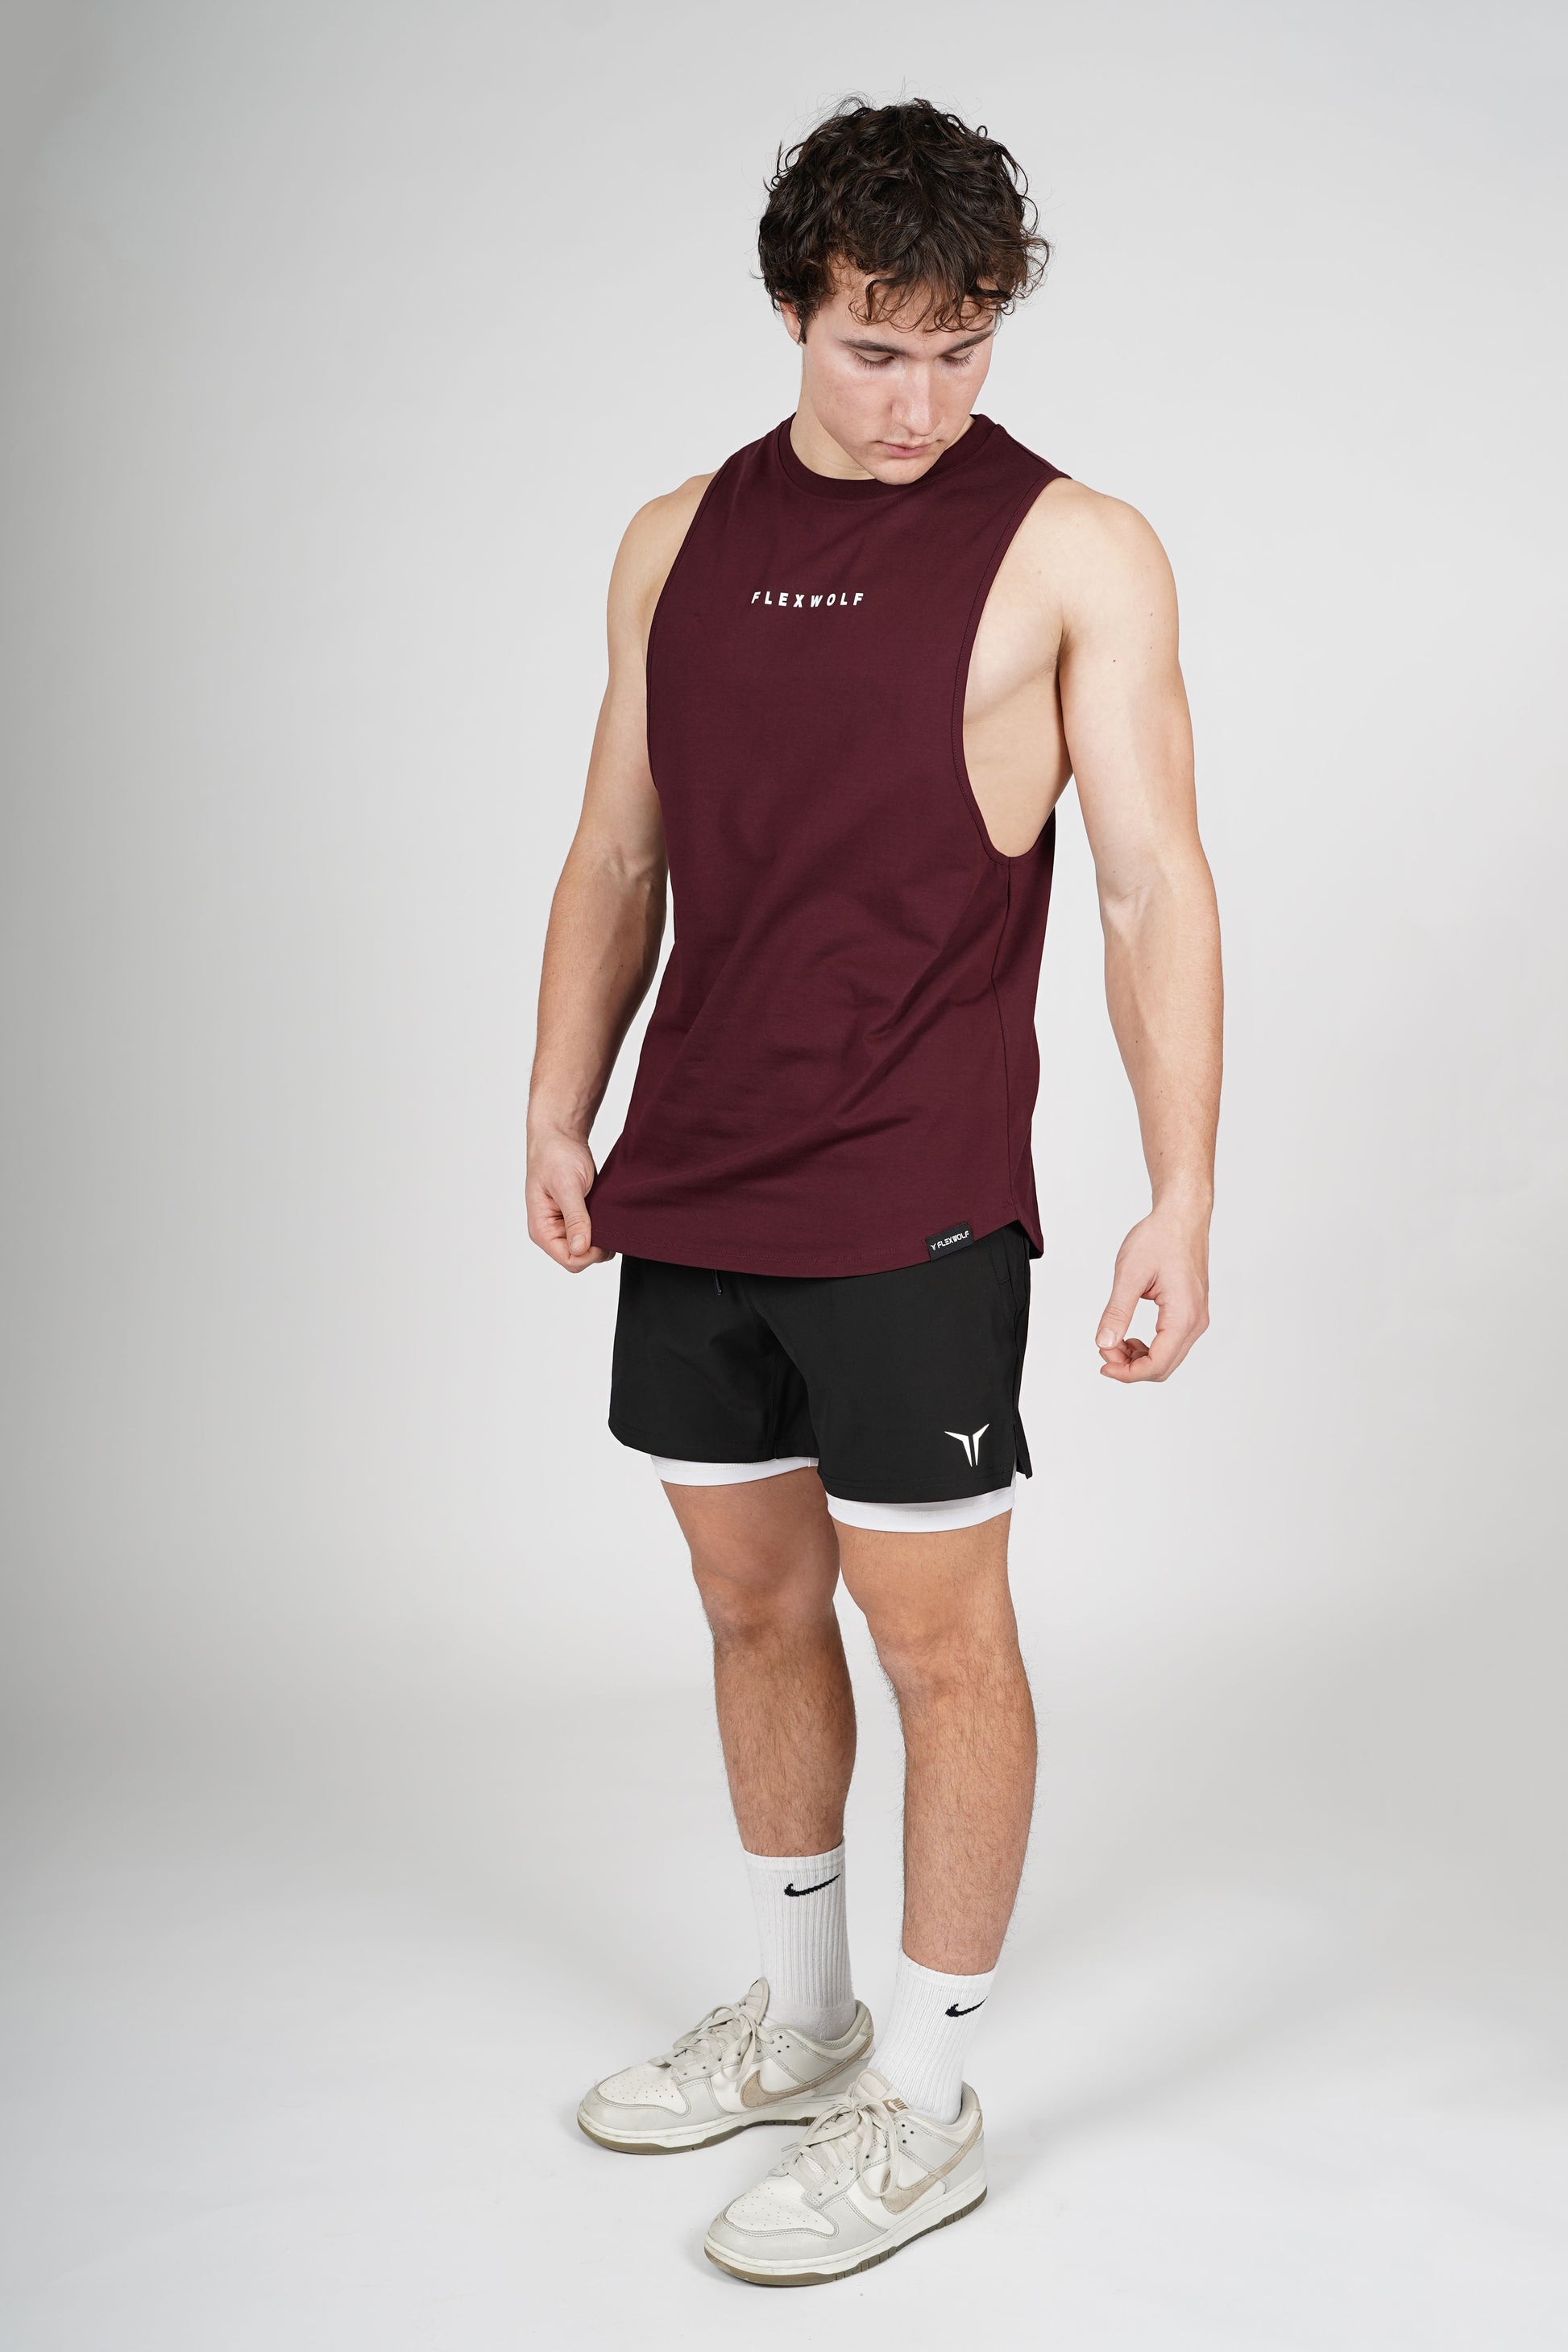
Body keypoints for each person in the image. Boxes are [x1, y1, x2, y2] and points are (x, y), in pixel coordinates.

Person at [526, 96, 1222, 2287]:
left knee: (939, 1640)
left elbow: (1150, 887)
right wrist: (557, 1101)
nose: (922, 403)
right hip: (694, 1170)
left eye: (962, 348)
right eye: (874, 350)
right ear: (791, 314)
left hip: (915, 1188)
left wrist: (1180, 1192)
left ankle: (924, 2098)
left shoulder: (1076, 548)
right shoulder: (672, 538)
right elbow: (618, 848)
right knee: (750, 1604)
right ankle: (806, 2017)